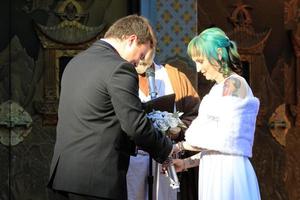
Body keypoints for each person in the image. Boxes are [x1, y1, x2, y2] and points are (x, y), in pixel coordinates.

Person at [47, 15, 174, 200]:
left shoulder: (75, 62)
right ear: (132, 40)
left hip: (62, 178)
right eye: (140, 55)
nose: (138, 63)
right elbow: (135, 126)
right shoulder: (119, 68)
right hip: (96, 183)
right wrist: (166, 149)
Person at [172, 27, 261, 200]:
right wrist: (185, 163)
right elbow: (215, 146)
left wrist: (179, 146)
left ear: (219, 53)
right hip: (215, 170)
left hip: (229, 174)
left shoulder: (235, 84)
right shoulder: (218, 89)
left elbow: (221, 137)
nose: (198, 69)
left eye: (201, 61)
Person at [126, 47, 200, 200]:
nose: (140, 57)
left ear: (153, 46)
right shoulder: (121, 78)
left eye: (144, 51)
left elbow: (196, 116)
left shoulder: (174, 77)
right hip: (131, 162)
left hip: (166, 159)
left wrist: (177, 129)